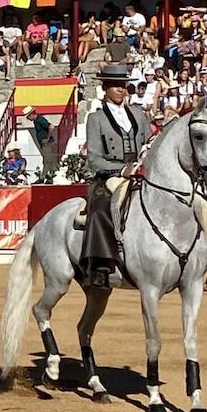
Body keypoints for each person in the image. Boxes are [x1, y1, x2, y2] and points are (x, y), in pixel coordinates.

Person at [80, 60, 152, 287]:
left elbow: (150, 143)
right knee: (101, 209)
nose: (121, 89)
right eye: (115, 85)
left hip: (141, 171)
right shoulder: (96, 119)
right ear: (105, 88)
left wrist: (144, 163)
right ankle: (100, 266)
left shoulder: (139, 114)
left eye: (123, 84)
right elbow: (94, 158)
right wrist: (121, 169)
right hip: (112, 175)